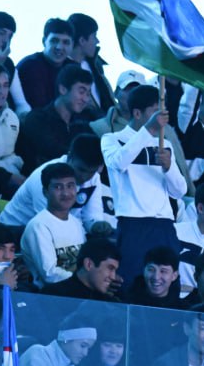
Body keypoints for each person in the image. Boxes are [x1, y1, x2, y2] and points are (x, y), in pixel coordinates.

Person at [101, 84, 185, 282]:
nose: (161, 118)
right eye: (155, 112)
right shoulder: (112, 139)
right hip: (133, 223)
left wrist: (169, 167)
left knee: (167, 285)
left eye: (163, 113)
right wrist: (149, 129)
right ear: (137, 113)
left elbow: (179, 191)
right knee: (133, 283)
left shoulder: (165, 144)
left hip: (164, 224)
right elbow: (118, 163)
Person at [20, 161, 86, 288]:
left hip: (77, 290)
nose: (66, 193)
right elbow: (50, 274)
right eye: (58, 187)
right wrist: (86, 281)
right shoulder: (39, 226)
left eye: (70, 186)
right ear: (45, 192)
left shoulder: (76, 223)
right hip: (50, 295)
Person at [15, 65, 94, 170]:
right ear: (63, 89)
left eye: (88, 94)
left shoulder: (82, 125)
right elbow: (50, 151)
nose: (85, 99)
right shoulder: (38, 119)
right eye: (81, 92)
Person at [19, 314, 96, 366]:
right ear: (66, 339)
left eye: (88, 349)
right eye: (83, 346)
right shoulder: (37, 354)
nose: (85, 353)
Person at [44, 236, 121, 302]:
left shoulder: (110, 303)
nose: (113, 277)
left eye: (115, 270)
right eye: (110, 268)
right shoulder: (51, 296)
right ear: (89, 264)